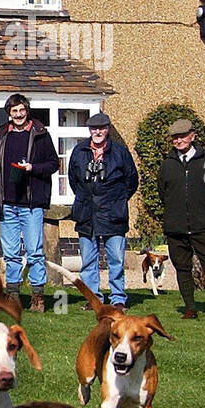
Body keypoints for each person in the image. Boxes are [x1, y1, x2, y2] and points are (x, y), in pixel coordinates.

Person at [0, 93, 60, 312]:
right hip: (7, 203)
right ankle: (13, 295)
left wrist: (33, 168)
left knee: (34, 252)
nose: (18, 114)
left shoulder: (40, 134)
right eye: (14, 111)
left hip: (31, 204)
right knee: (11, 253)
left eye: (21, 110)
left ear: (26, 111)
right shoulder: (1, 135)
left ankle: (38, 296)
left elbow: (53, 164)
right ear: (9, 114)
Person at [67, 112, 138, 310]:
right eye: (94, 128)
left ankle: (118, 299)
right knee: (88, 260)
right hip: (86, 213)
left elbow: (132, 181)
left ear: (107, 130)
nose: (98, 132)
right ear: (89, 130)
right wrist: (85, 198)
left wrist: (118, 200)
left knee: (116, 259)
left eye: (102, 128)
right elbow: (74, 180)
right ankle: (94, 299)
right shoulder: (79, 151)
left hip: (113, 214)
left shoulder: (120, 152)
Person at [157, 118, 205, 321]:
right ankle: (190, 308)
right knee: (182, 267)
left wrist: (203, 211)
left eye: (182, 136)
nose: (178, 141)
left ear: (192, 136)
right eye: (175, 138)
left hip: (204, 226)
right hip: (176, 226)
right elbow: (164, 193)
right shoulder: (167, 165)